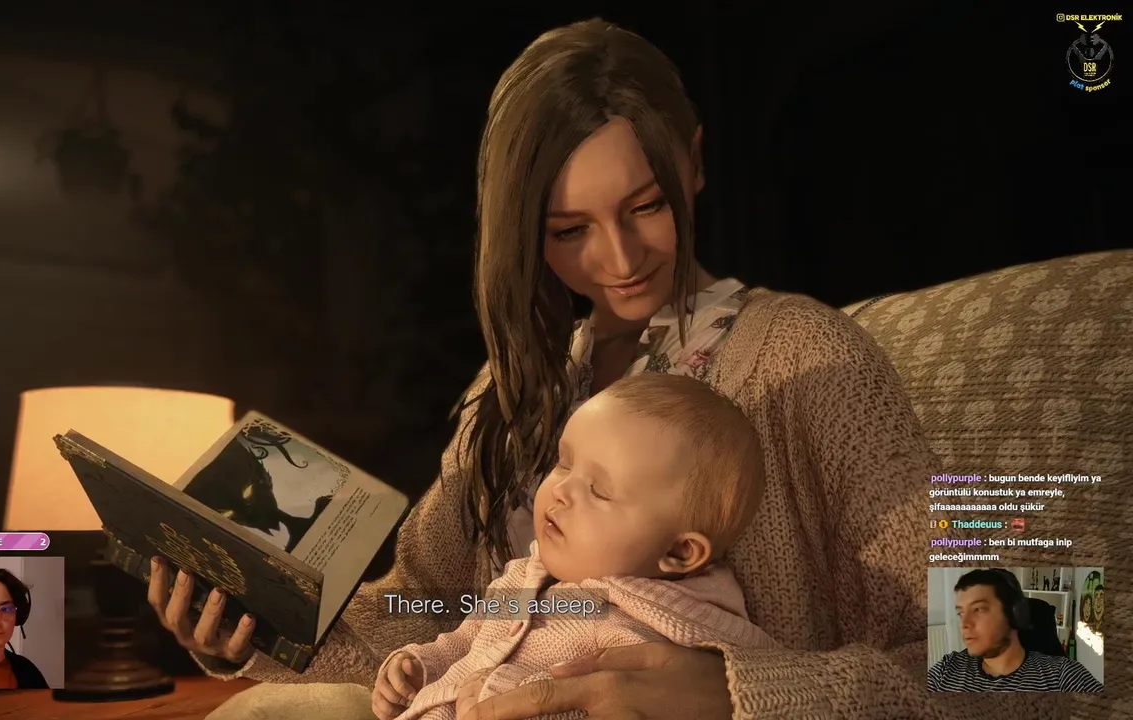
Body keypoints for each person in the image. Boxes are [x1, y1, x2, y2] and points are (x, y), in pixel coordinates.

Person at [152, 18, 1073, 719]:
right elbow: (427, 618)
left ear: (694, 164)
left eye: (646, 205)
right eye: (569, 231)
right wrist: (258, 630)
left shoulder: (808, 356)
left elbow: (1032, 660)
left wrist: (733, 693)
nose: (621, 259)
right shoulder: (509, 396)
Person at [367, 374, 778, 720]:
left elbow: (592, 703)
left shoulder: (654, 634)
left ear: (678, 553)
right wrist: (423, 664)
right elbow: (471, 638)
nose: (561, 490)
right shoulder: (526, 574)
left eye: (599, 491)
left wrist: (503, 691)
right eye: (563, 463)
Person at [928, 569, 1102, 692]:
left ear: (1015, 614)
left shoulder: (1062, 676)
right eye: (960, 613)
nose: (964, 624)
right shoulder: (946, 669)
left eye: (979, 609)